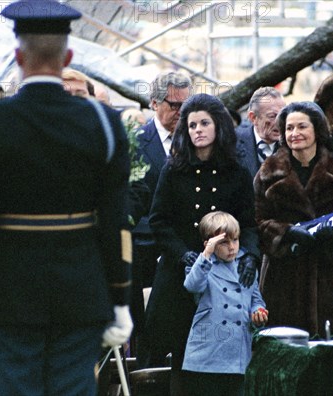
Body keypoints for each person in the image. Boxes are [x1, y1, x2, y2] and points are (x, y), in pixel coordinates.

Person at [0, 1, 133, 395]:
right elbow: (116, 220)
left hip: (9, 295)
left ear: (17, 56)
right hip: (81, 295)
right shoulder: (104, 123)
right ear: (68, 55)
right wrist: (120, 296)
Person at [142, 93, 260, 394]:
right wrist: (183, 255)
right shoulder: (174, 169)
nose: (197, 130)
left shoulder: (237, 171)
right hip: (179, 272)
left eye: (204, 123)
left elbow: (249, 223)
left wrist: (249, 256)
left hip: (223, 275)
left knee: (225, 359)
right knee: (181, 353)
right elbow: (159, 221)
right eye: (192, 124)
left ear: (218, 126)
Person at [254, 101, 333, 337]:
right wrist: (286, 232)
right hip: (284, 277)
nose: (295, 134)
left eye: (302, 127)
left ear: (316, 130)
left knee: (330, 346)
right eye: (289, 128)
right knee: (286, 347)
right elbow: (257, 221)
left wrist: (330, 237)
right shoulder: (268, 172)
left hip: (329, 275)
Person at [133, 70, 191, 359]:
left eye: (186, 105)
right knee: (148, 336)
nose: (181, 112)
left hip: (185, 253)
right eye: (173, 105)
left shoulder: (197, 141)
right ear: (154, 104)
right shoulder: (135, 143)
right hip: (146, 252)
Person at [182, 211, 267, 396]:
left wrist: (258, 312)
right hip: (208, 350)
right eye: (224, 242)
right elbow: (192, 285)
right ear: (209, 244)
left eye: (235, 240)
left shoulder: (246, 265)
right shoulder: (201, 264)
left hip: (238, 350)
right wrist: (206, 254)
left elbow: (255, 298)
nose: (232, 247)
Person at [235, 86, 286, 178]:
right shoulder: (233, 142)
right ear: (253, 118)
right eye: (272, 116)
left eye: (283, 115)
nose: (280, 122)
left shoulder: (291, 144)